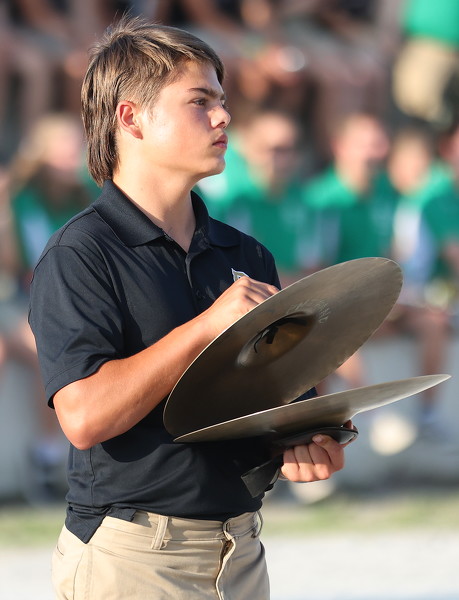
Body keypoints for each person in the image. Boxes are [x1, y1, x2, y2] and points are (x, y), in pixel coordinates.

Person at [28, 16, 352, 600]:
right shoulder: (79, 253)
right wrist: (206, 327)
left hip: (240, 550)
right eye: (200, 101)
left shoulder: (246, 254)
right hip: (132, 558)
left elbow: (284, 402)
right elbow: (84, 417)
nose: (224, 117)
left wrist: (310, 442)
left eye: (221, 101)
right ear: (131, 118)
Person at [198, 109, 321, 287]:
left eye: (287, 150)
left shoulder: (307, 203)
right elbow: (232, 271)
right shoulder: (231, 203)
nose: (278, 159)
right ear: (249, 150)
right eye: (269, 149)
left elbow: (314, 269)